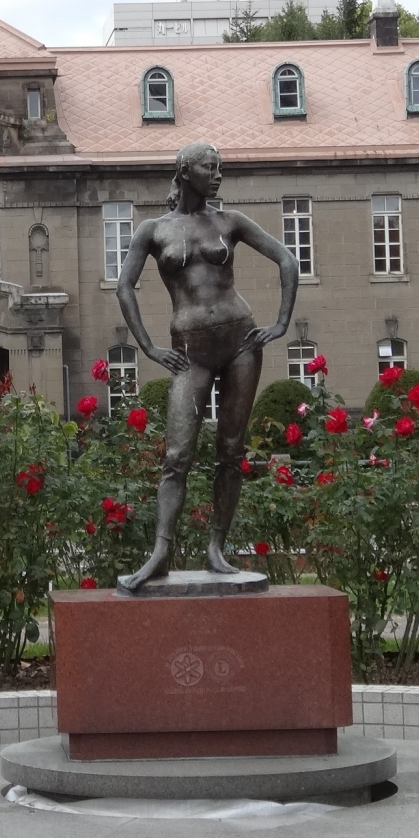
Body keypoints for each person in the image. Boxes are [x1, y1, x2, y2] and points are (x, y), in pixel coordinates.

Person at [115, 141, 299, 591]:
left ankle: (217, 547)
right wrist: (149, 347)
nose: (217, 175)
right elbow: (124, 287)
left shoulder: (229, 221)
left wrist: (280, 324)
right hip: (190, 351)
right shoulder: (153, 230)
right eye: (209, 167)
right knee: (177, 456)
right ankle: (161, 552)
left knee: (231, 450)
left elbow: (287, 259)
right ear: (184, 171)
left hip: (241, 342)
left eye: (220, 167)